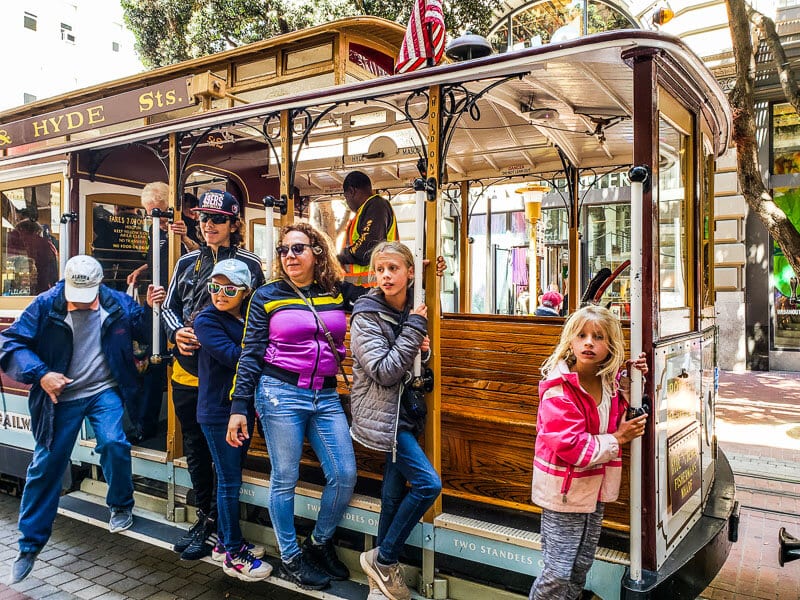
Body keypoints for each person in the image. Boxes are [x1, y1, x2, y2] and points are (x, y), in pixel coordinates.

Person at [0, 255, 151, 584]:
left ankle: (121, 504)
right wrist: (41, 374)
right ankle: (29, 546)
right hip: (61, 396)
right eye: (74, 297)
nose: (80, 304)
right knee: (47, 464)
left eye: (88, 298)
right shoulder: (44, 305)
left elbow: (144, 328)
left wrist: (153, 308)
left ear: (99, 287)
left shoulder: (118, 303)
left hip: (103, 391)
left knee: (114, 442)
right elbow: (9, 343)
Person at [229, 222, 363, 590]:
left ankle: (318, 543)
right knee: (285, 477)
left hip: (326, 395)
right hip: (280, 393)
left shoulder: (335, 293)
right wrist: (240, 405)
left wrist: (426, 273)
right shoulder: (267, 295)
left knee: (344, 473)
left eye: (298, 248)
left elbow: (383, 291)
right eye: (283, 250)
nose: (289, 256)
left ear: (317, 252)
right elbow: (251, 352)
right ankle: (290, 557)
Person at [155, 189, 265, 560]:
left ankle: (221, 525)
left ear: (235, 223)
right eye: (203, 218)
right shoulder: (186, 262)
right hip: (187, 371)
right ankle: (206, 518)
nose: (208, 225)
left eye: (217, 219)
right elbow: (170, 307)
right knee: (196, 450)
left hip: (225, 375)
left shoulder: (251, 263)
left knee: (225, 455)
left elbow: (261, 313)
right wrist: (177, 332)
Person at [528, 305, 648, 600]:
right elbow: (571, 446)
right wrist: (617, 438)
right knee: (557, 572)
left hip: (593, 491)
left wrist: (638, 375)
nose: (589, 343)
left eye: (598, 337)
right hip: (563, 493)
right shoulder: (559, 390)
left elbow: (627, 410)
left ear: (610, 346)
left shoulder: (610, 384)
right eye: (581, 335)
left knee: (581, 565)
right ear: (570, 341)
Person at [349, 241, 442, 600]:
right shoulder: (367, 314)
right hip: (383, 415)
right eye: (381, 269)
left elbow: (414, 360)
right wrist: (415, 330)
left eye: (394, 269)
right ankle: (385, 559)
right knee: (427, 485)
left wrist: (424, 348)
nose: (386, 276)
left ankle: (379, 586)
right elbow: (385, 371)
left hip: (405, 413)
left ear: (410, 272)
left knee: (391, 496)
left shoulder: (409, 306)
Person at [193, 259, 271, 581]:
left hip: (240, 409)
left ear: (245, 291)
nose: (220, 294)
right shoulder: (206, 320)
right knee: (228, 482)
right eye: (215, 287)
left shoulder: (249, 316)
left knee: (230, 478)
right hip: (217, 413)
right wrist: (268, 352)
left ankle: (225, 544)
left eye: (229, 289)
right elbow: (233, 355)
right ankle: (233, 552)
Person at [338, 171, 398, 286]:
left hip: (372, 288)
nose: (347, 202)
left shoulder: (376, 206)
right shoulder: (365, 210)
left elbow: (366, 249)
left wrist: (341, 256)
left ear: (352, 191)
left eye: (346, 197)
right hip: (361, 288)